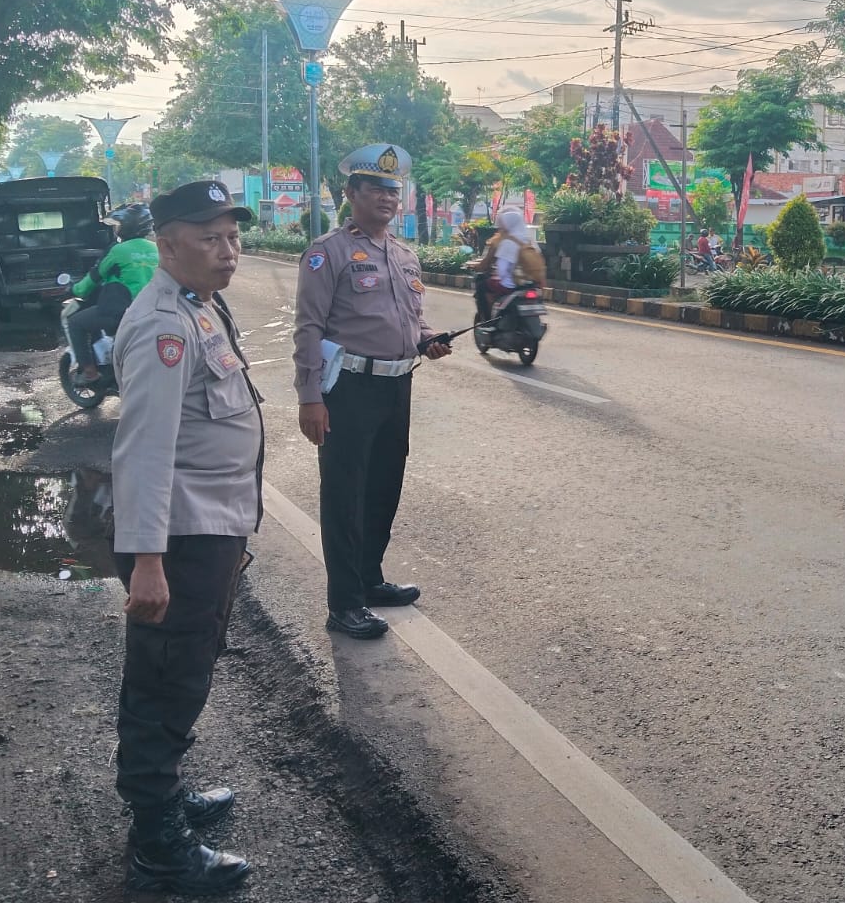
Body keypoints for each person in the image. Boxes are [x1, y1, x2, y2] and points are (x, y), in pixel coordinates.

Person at [110, 180, 261, 895]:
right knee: (164, 682)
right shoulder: (164, 326)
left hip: (210, 529)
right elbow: (143, 449)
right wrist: (148, 563)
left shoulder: (200, 306)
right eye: (210, 237)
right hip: (178, 538)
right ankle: (158, 847)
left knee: (186, 672)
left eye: (233, 235)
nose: (227, 250)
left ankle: (165, 797)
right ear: (167, 243)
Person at [292, 144, 452, 641]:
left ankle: (370, 578)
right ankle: (343, 603)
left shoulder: (405, 255)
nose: (386, 198)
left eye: (392, 189)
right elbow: (308, 328)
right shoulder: (327, 253)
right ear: (352, 193)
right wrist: (309, 396)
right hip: (349, 391)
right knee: (344, 495)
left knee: (384, 487)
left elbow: (413, 318)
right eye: (376, 188)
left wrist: (427, 339)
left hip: (396, 385)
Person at [68, 204, 159, 385]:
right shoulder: (157, 249)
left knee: (76, 323)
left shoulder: (117, 250)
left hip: (126, 313)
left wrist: (74, 289)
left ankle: (90, 373)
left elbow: (94, 277)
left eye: (118, 225)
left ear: (127, 227)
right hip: (157, 312)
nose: (116, 229)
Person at [473, 207, 547, 322]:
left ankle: (488, 321)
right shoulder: (529, 240)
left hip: (512, 285)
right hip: (532, 284)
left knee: (483, 285)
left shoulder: (507, 242)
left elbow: (502, 270)